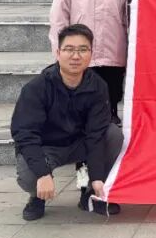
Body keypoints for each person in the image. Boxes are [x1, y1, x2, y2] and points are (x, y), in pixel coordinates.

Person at [11, 24, 122, 220]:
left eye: (83, 50)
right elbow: (25, 134)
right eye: (69, 49)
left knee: (113, 134)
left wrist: (97, 177)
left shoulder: (98, 86)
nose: (76, 56)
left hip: (80, 144)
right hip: (47, 147)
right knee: (30, 176)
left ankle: (90, 194)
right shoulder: (37, 88)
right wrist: (42, 173)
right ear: (58, 52)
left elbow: (96, 134)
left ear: (91, 53)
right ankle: (37, 197)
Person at [49, 0, 129, 122]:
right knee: (81, 93)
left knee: (111, 92)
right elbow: (59, 15)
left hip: (113, 47)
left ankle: (111, 118)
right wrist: (59, 48)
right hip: (80, 48)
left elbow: (127, 16)